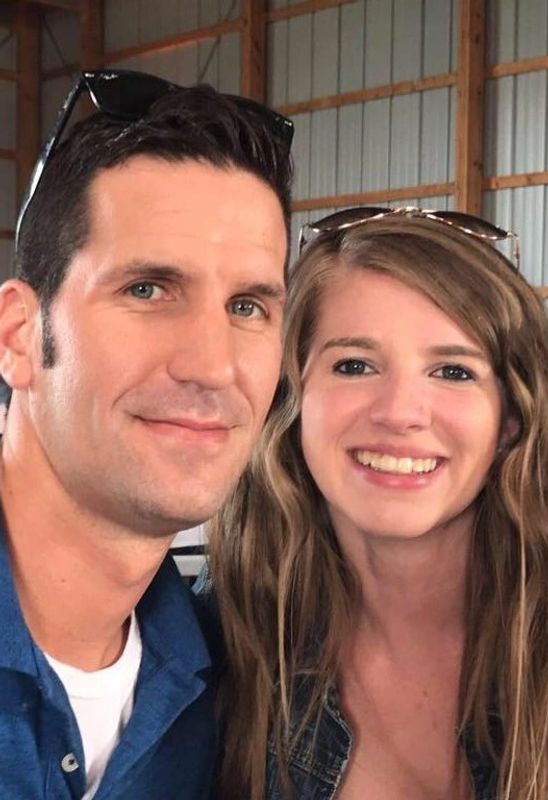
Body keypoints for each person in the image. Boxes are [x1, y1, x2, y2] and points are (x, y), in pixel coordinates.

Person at [207, 208, 548, 800]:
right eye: (354, 365)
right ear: (291, 400)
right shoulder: (226, 631)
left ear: (511, 418)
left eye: (453, 371)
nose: (399, 413)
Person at [0, 70, 293, 799]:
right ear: (18, 335)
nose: (214, 366)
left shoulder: (221, 690)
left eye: (248, 306)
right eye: (147, 289)